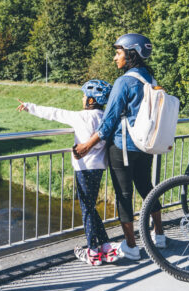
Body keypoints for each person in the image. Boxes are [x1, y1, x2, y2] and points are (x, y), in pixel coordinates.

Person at [74, 33, 165, 261]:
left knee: (124, 195)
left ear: (131, 53)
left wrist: (86, 145)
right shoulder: (149, 78)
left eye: (118, 52)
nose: (115, 58)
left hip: (123, 147)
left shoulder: (124, 81)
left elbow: (109, 122)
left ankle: (132, 246)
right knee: (147, 187)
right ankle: (160, 234)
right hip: (145, 144)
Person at [17, 79, 118, 266]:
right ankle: (105, 246)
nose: (82, 99)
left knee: (87, 209)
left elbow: (54, 113)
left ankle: (93, 251)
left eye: (84, 96)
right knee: (90, 206)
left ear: (90, 101)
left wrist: (29, 107)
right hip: (99, 167)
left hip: (83, 168)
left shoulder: (79, 117)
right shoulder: (106, 117)